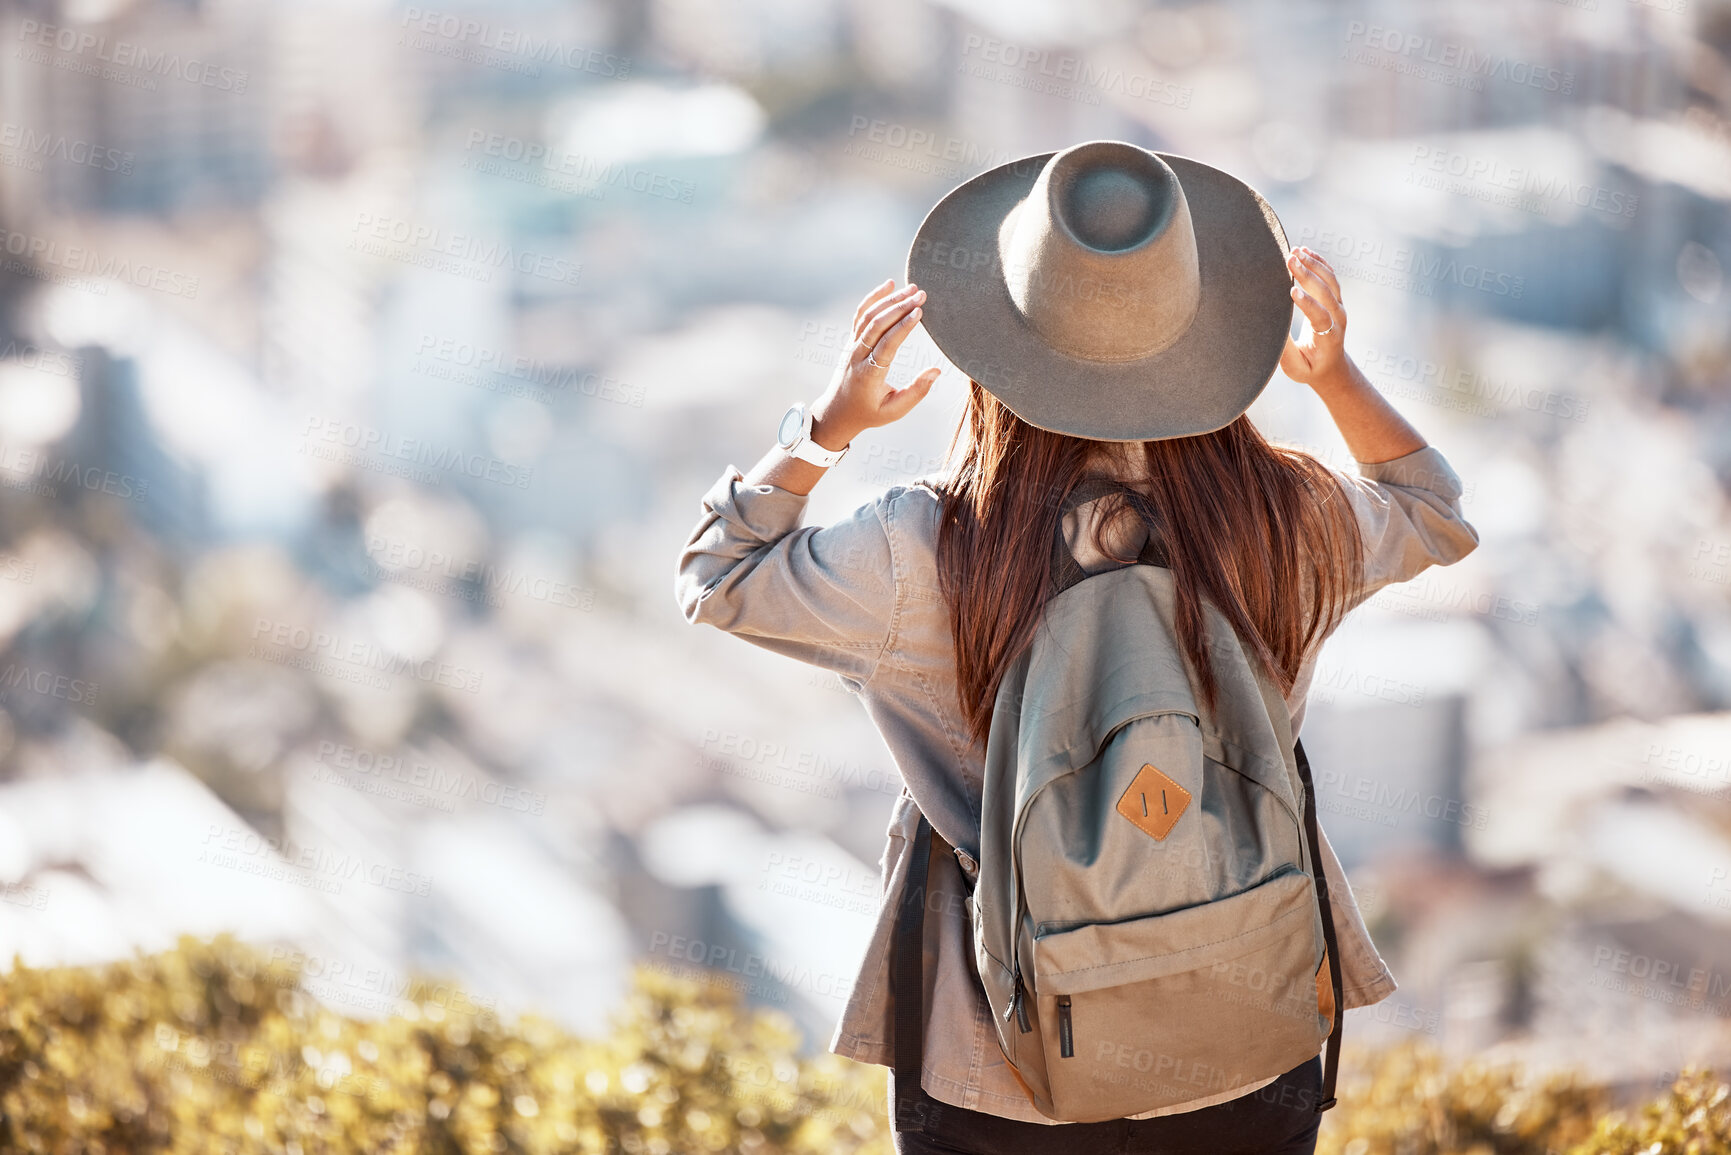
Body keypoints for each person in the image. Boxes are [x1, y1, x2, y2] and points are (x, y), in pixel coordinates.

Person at [674, 141, 1480, 1155]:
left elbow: (718, 577)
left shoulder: (923, 549)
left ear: (1000, 353)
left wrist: (823, 431)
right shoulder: (1286, 517)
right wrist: (1336, 375)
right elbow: (1431, 510)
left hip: (1000, 1058)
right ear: (1212, 335)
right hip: (1247, 1025)